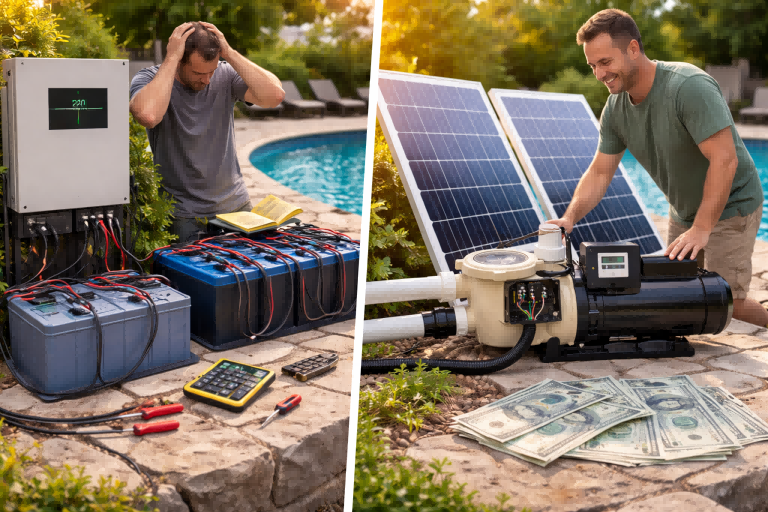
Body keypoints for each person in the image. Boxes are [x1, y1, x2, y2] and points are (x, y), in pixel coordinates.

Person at [547, 9, 767, 327]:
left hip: (731, 207)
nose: (599, 74)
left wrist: (703, 228)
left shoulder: (688, 87)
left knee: (728, 300)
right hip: (684, 212)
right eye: (593, 65)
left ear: (633, 49)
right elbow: (599, 172)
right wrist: (569, 219)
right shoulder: (616, 109)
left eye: (605, 62)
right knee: (680, 292)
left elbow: (725, 159)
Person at [129, 22, 285, 243]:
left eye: (211, 71)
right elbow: (148, 116)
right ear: (179, 60)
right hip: (183, 214)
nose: (207, 79)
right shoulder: (148, 79)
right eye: (198, 72)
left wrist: (229, 53)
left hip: (235, 204)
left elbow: (274, 96)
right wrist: (171, 58)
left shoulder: (226, 75)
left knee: (249, 273)